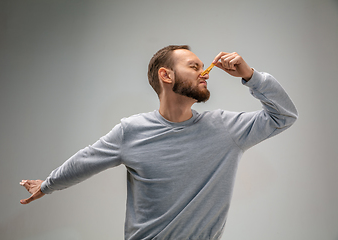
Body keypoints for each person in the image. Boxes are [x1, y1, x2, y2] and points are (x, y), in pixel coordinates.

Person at [20, 45, 298, 240]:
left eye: (204, 67)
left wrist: (251, 76)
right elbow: (86, 160)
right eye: (194, 67)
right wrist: (47, 184)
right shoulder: (132, 131)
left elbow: (283, 116)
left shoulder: (226, 128)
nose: (206, 73)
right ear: (166, 75)